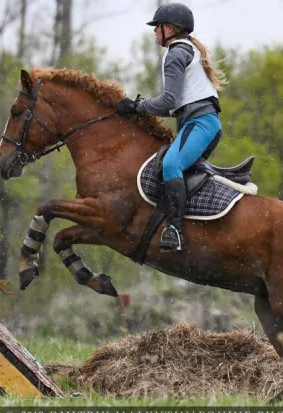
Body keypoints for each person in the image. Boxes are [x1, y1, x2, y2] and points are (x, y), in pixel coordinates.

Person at [116, 2, 228, 253]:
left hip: (200, 124)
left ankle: (175, 231)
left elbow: (168, 101)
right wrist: (140, 108)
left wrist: (136, 106)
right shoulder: (186, 49)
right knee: (173, 169)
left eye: (157, 27)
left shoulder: (175, 54)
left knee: (170, 165)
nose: (155, 32)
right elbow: (174, 107)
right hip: (202, 123)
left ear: (170, 29)